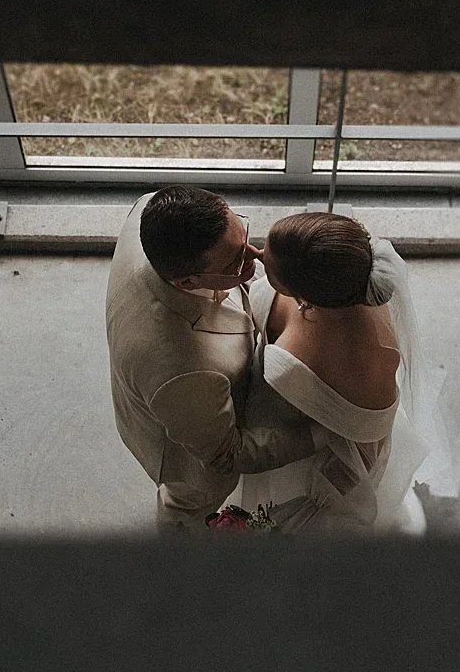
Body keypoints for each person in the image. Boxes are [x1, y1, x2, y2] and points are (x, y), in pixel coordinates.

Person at [106, 186, 320, 532]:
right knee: (187, 510)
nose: (256, 255)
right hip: (186, 451)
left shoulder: (150, 205)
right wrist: (319, 438)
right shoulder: (186, 368)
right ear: (188, 281)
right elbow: (227, 455)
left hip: (165, 392)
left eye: (244, 235)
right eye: (235, 261)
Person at [233, 212, 460, 533]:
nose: (255, 256)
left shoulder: (364, 367)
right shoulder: (340, 284)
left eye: (267, 265)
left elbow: (367, 440)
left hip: (305, 451)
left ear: (305, 296)